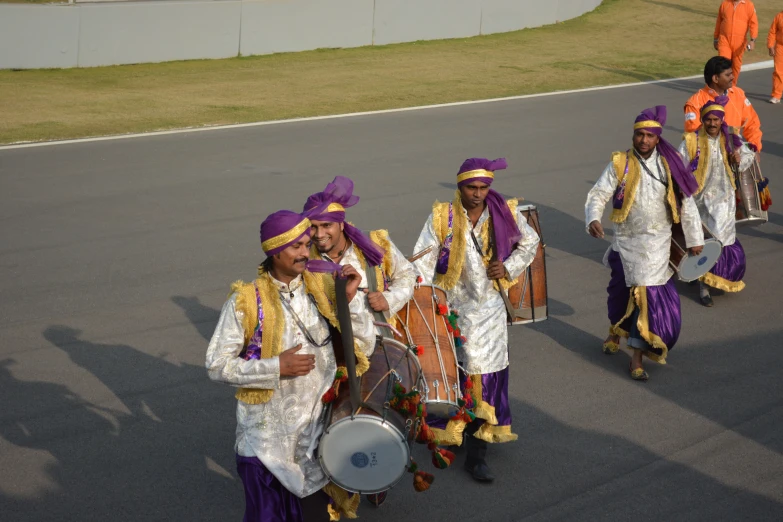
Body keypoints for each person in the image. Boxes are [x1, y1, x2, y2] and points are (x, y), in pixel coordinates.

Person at [205, 210, 376, 522]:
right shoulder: (246, 301)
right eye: (296, 246)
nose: (305, 252)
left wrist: (349, 302)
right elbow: (216, 365)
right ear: (274, 251)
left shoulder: (322, 288)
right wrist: (275, 367)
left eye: (306, 244)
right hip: (265, 447)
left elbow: (364, 348)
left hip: (315, 442)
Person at [411, 158, 540, 482]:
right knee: (455, 374)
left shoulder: (504, 213)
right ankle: (455, 432)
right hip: (451, 310)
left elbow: (531, 242)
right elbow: (424, 260)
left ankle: (478, 453)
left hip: (490, 311)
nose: (478, 194)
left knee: (487, 376)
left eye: (484, 188)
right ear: (460, 186)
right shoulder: (442, 217)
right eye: (472, 187)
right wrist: (423, 300)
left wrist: (509, 267)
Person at [303, 176, 416, 507]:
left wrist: (390, 298)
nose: (319, 234)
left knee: (370, 414)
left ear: (340, 224)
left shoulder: (373, 245)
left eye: (325, 225)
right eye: (312, 227)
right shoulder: (301, 259)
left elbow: (408, 276)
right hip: (326, 353)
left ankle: (374, 475)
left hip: (374, 348)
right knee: (325, 424)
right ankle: (334, 489)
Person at [586, 106, 705, 381]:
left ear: (657, 138)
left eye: (649, 136)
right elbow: (599, 193)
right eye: (639, 135)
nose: (643, 140)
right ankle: (614, 332)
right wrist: (593, 218)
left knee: (646, 300)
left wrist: (696, 239)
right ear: (634, 135)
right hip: (625, 243)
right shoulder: (620, 163)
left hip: (656, 246)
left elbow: (686, 204)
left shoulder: (669, 165)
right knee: (619, 297)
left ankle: (636, 358)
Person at [678, 96, 756, 306]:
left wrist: (740, 159)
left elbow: (748, 156)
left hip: (725, 200)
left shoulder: (731, 139)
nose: (712, 124)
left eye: (716, 120)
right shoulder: (690, 141)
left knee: (720, 239)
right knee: (699, 240)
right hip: (699, 201)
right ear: (702, 120)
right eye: (708, 120)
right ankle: (702, 282)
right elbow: (678, 167)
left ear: (722, 120)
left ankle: (705, 284)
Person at [684, 56, 762, 153]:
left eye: (732, 74)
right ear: (716, 78)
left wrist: (754, 148)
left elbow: (752, 123)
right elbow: (693, 133)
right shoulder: (695, 102)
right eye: (728, 75)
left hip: (736, 153)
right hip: (709, 156)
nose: (732, 77)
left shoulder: (738, 94)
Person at [713, 0, 758, 85]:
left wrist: (752, 40)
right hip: (724, 40)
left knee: (736, 66)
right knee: (723, 64)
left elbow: (753, 24)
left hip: (740, 42)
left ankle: (731, 86)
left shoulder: (749, 5)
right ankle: (723, 86)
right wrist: (716, 38)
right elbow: (719, 22)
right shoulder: (725, 4)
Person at [768, 9, 783, 104]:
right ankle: (776, 95)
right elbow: (772, 32)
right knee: (778, 71)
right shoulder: (779, 16)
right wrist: (770, 45)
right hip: (780, 47)